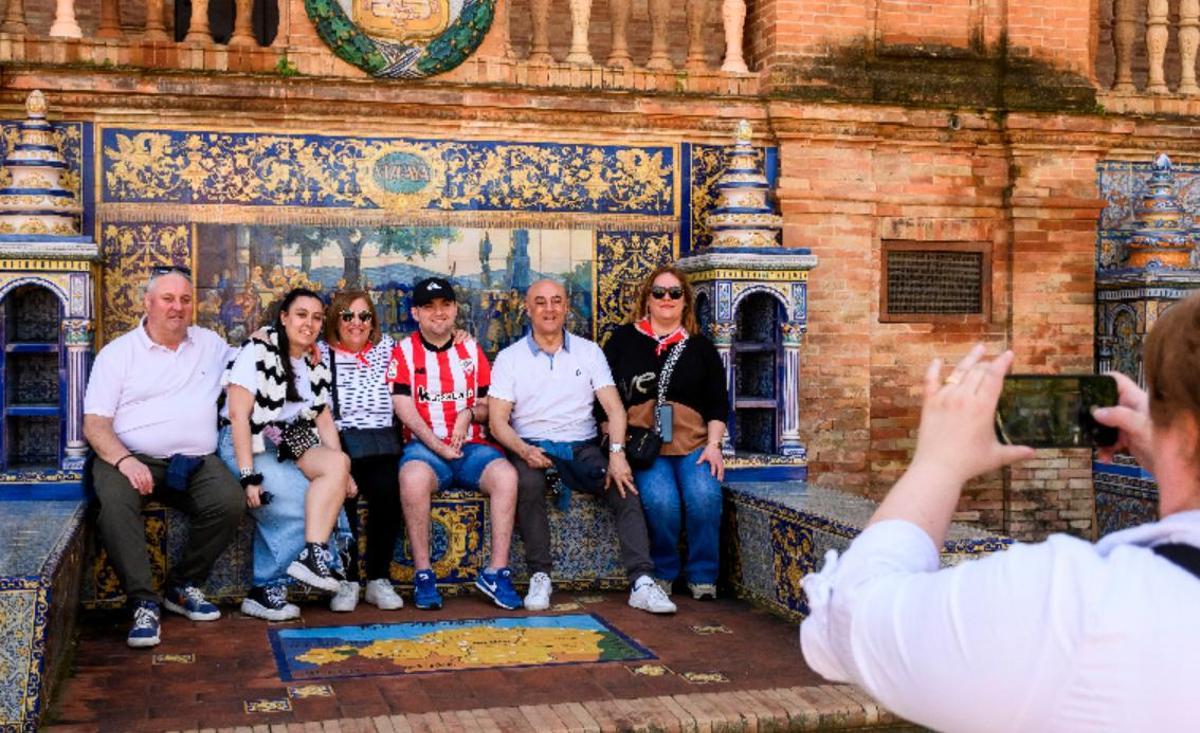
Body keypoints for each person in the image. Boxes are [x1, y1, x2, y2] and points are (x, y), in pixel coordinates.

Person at [800, 296, 1200, 731]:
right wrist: (1173, 452)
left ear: (1186, 428)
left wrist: (939, 464)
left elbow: (849, 618)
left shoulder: (1083, 604)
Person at [488, 278, 676, 615]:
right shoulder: (509, 358)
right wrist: (523, 450)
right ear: (528, 309)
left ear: (567, 307)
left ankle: (642, 582)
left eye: (557, 301)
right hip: (532, 446)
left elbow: (616, 409)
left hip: (581, 447)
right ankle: (540, 575)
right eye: (541, 302)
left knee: (624, 486)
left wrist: (617, 455)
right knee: (526, 485)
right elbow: (498, 421)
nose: (549, 309)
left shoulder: (589, 352)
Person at [83, 265, 244, 648]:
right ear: (148, 303)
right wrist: (124, 461)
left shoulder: (210, 344)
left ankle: (183, 585)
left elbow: (253, 360)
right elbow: (95, 424)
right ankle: (143, 602)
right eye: (168, 299)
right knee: (115, 506)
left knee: (230, 502)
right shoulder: (118, 354)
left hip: (194, 461)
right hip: (129, 456)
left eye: (185, 300)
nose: (177, 307)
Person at [218, 287, 356, 621]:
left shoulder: (314, 360)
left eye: (316, 317)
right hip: (246, 442)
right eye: (301, 315)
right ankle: (265, 588)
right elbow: (238, 416)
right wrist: (249, 477)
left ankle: (314, 554)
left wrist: (343, 475)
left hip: (290, 441)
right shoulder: (257, 351)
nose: (309, 323)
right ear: (283, 317)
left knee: (337, 464)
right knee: (298, 497)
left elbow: (323, 419)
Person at [388, 277, 523, 610]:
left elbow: (488, 404)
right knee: (412, 479)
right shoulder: (404, 351)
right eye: (429, 307)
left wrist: (467, 413)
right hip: (425, 448)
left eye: (445, 305)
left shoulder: (470, 348)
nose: (439, 313)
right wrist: (437, 445)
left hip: (472, 448)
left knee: (507, 476)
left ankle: (496, 572)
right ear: (416, 313)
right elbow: (402, 407)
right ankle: (423, 574)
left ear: (455, 309)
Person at [602, 265, 728, 600]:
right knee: (661, 502)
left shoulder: (701, 348)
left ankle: (703, 574)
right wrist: (614, 444)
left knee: (704, 496)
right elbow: (603, 397)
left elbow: (718, 404)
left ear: (685, 301)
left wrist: (714, 445)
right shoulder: (622, 341)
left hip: (693, 444)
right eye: (659, 292)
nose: (667, 299)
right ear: (647, 299)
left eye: (675, 293)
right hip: (645, 444)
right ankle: (664, 571)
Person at [319, 289, 406, 613]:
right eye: (348, 316)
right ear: (336, 320)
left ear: (373, 321)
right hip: (341, 439)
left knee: (388, 493)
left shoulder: (388, 349)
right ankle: (348, 579)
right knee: (345, 497)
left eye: (364, 316)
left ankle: (378, 578)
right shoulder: (320, 353)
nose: (356, 323)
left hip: (382, 439)